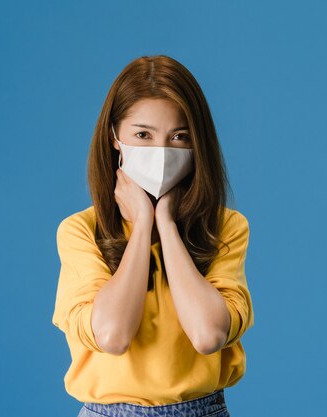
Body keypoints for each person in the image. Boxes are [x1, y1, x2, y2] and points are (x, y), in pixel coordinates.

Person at [52, 55, 254, 417]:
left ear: (197, 144)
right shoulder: (81, 231)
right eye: (142, 135)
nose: (161, 153)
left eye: (179, 137)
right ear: (114, 137)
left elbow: (208, 335)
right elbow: (112, 336)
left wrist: (167, 225)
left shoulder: (225, 227)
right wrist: (142, 225)